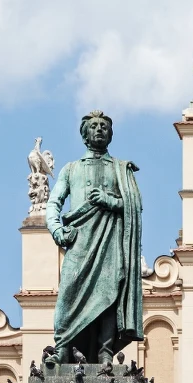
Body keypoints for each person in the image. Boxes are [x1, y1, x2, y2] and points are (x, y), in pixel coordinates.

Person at [45, 111, 143, 365]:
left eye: (104, 127)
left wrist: (109, 200)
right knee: (68, 292)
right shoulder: (71, 169)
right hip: (78, 240)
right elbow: (53, 203)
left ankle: (105, 352)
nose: (99, 130)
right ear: (84, 134)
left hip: (109, 241)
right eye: (94, 126)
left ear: (110, 134)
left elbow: (135, 205)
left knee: (108, 295)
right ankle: (63, 347)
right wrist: (57, 230)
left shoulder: (122, 169)